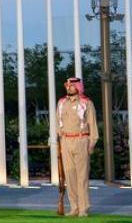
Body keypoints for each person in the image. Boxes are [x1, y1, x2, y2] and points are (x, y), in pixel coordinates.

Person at [56, 77, 99, 217]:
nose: (68, 87)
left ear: (78, 87)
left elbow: (92, 124)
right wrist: (59, 137)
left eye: (71, 85)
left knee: (82, 176)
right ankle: (74, 207)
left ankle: (84, 208)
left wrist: (92, 143)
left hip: (81, 140)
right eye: (67, 85)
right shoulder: (61, 103)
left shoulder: (86, 103)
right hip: (66, 141)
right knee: (69, 176)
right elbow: (58, 122)